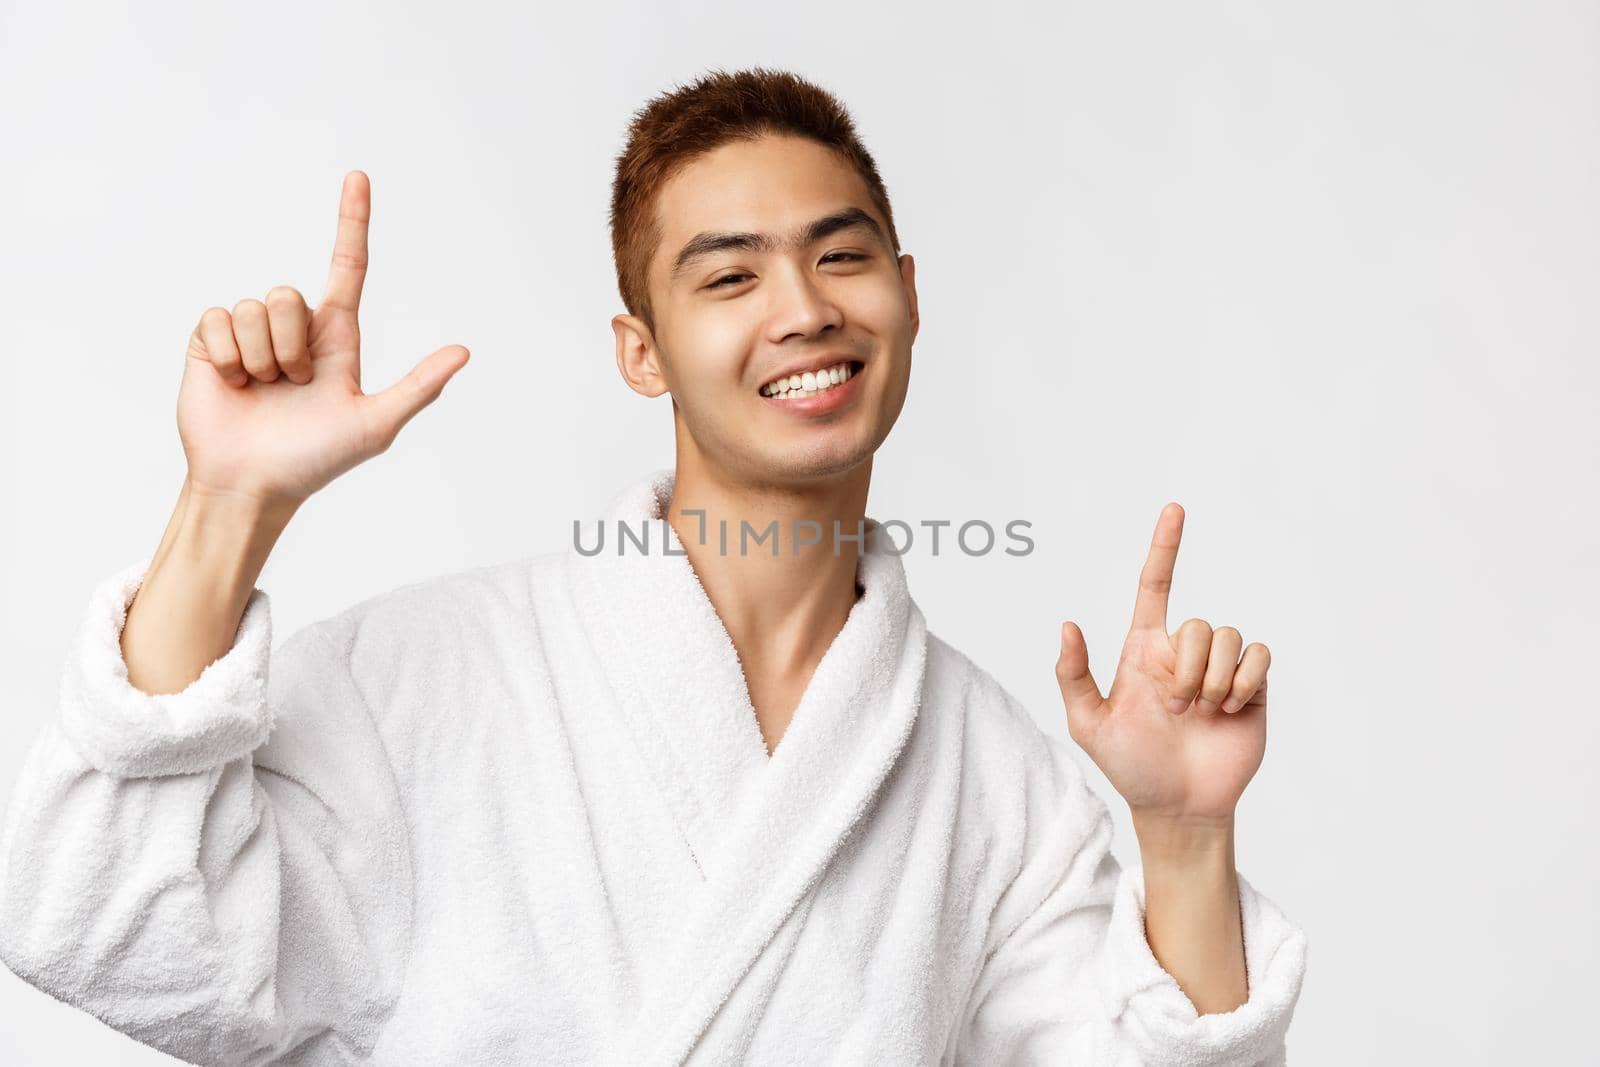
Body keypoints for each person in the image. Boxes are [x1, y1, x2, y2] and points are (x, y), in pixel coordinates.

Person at [0, 68, 1307, 1064]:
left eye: (841, 254)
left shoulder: (986, 774)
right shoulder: (437, 676)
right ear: (643, 351)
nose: (806, 307)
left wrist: (1186, 841)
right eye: (729, 277)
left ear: (906, 293)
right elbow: (108, 930)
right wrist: (226, 504)